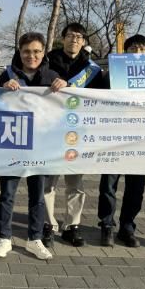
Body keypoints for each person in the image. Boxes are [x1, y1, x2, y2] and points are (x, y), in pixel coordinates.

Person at [0, 32, 67, 260]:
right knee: (7, 194)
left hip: (40, 146)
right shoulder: (8, 74)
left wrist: (66, 86)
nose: (31, 56)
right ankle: (4, 237)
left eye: (36, 51)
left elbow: (68, 104)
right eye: (26, 51)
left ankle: (35, 238)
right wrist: (2, 87)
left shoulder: (52, 76)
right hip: (12, 144)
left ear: (43, 52)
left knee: (38, 196)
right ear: (20, 52)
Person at [44, 22, 103, 247]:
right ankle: (48, 224)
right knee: (48, 182)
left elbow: (102, 95)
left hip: (78, 131)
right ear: (63, 38)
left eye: (79, 37)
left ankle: (72, 225)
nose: (74, 40)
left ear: (84, 41)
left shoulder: (91, 68)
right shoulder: (48, 61)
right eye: (70, 35)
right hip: (50, 129)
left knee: (75, 181)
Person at [97, 34, 145, 248]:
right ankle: (106, 225)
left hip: (143, 140)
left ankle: (127, 226)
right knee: (108, 185)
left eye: (142, 49)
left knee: (136, 188)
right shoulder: (110, 76)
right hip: (114, 138)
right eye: (133, 49)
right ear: (125, 52)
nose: (138, 53)